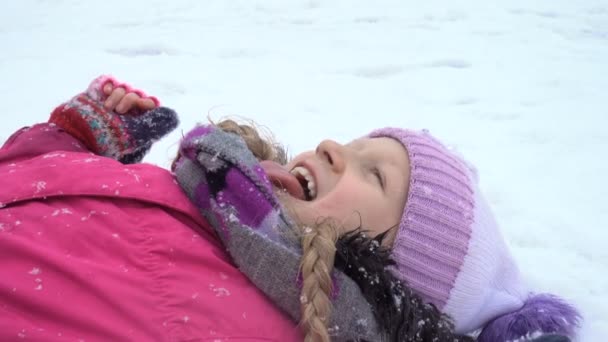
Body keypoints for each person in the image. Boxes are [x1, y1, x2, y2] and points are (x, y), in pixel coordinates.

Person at [1, 75, 579, 342]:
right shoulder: (216, 204)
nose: (330, 146)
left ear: (385, 273)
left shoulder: (243, 319)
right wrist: (72, 143)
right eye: (353, 144)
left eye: (372, 174)